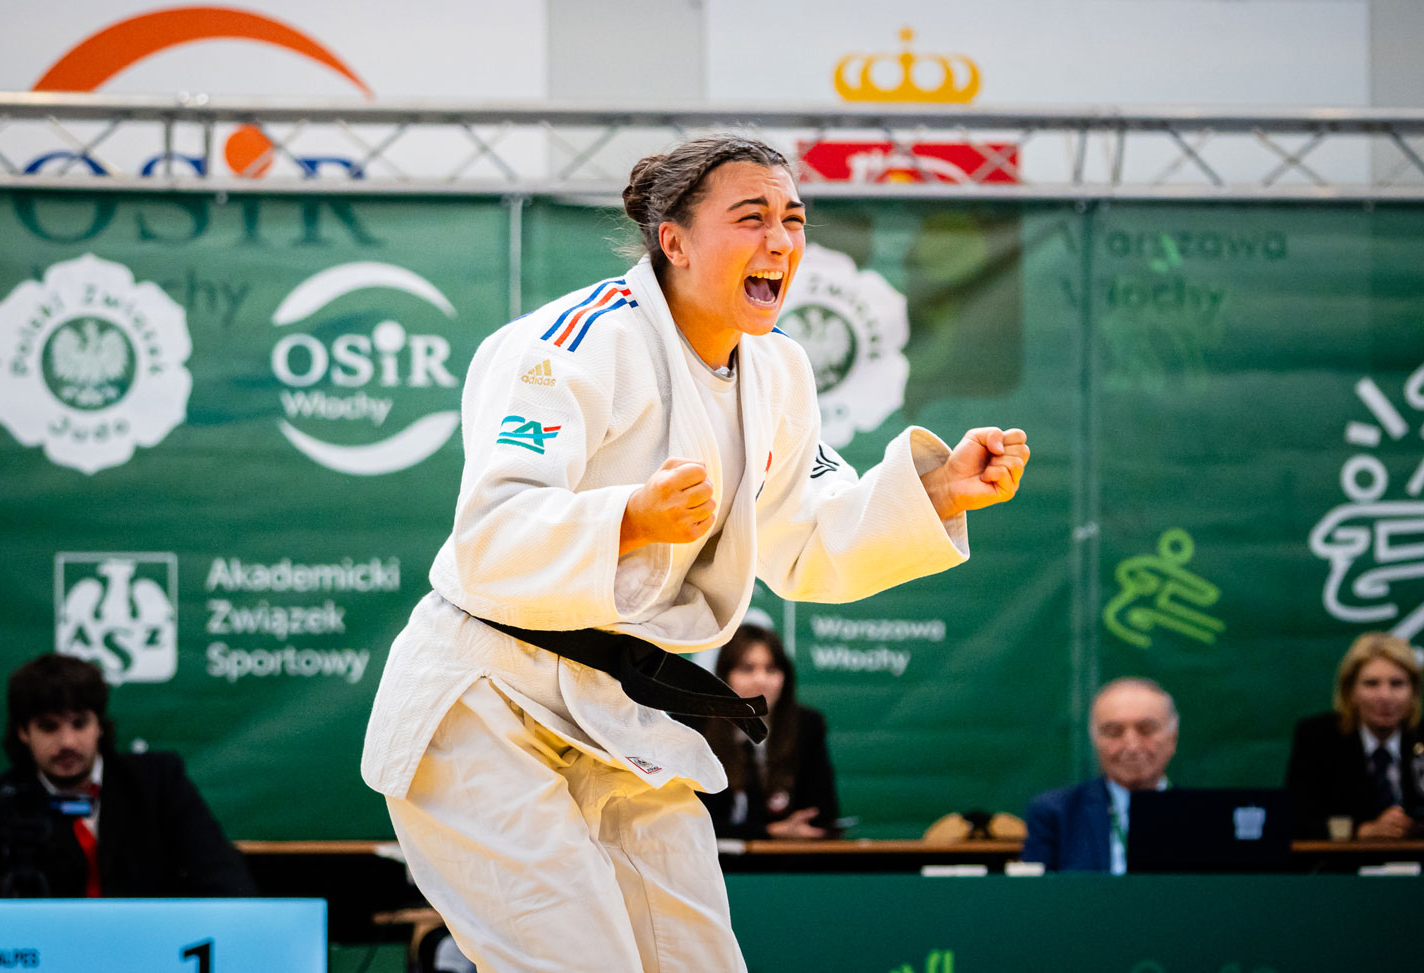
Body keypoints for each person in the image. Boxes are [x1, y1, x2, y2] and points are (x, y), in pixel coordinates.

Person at [359, 134, 1029, 972]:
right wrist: (630, 519)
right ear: (672, 240)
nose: (781, 241)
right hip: (485, 703)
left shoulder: (778, 372)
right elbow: (492, 534)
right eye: (751, 218)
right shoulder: (571, 341)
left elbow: (808, 539)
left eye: (793, 219)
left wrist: (932, 496)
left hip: (621, 713)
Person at [0, 654, 255, 898]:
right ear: (23, 732)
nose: (67, 742)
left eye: (79, 724)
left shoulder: (158, 783)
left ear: (99, 726)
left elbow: (223, 876)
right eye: (49, 727)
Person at [696, 623, 840, 840]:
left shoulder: (807, 726)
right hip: (709, 865)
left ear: (785, 677)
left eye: (771, 669)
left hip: (784, 867)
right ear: (724, 677)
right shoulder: (694, 727)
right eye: (747, 668)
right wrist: (770, 832)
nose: (760, 680)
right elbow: (685, 823)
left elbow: (823, 816)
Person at [1021, 677, 1178, 874]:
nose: (1131, 746)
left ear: (1172, 737)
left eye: (1146, 730)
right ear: (1095, 741)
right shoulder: (1056, 814)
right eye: (1113, 732)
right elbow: (1037, 897)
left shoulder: (1202, 815)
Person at [1285, 632, 1423, 839]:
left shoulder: (1420, 739)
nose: (1385, 696)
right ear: (1350, 691)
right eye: (1371, 684)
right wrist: (1363, 831)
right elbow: (1295, 819)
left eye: (1397, 684)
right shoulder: (1318, 739)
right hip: (1343, 868)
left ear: (1413, 691)